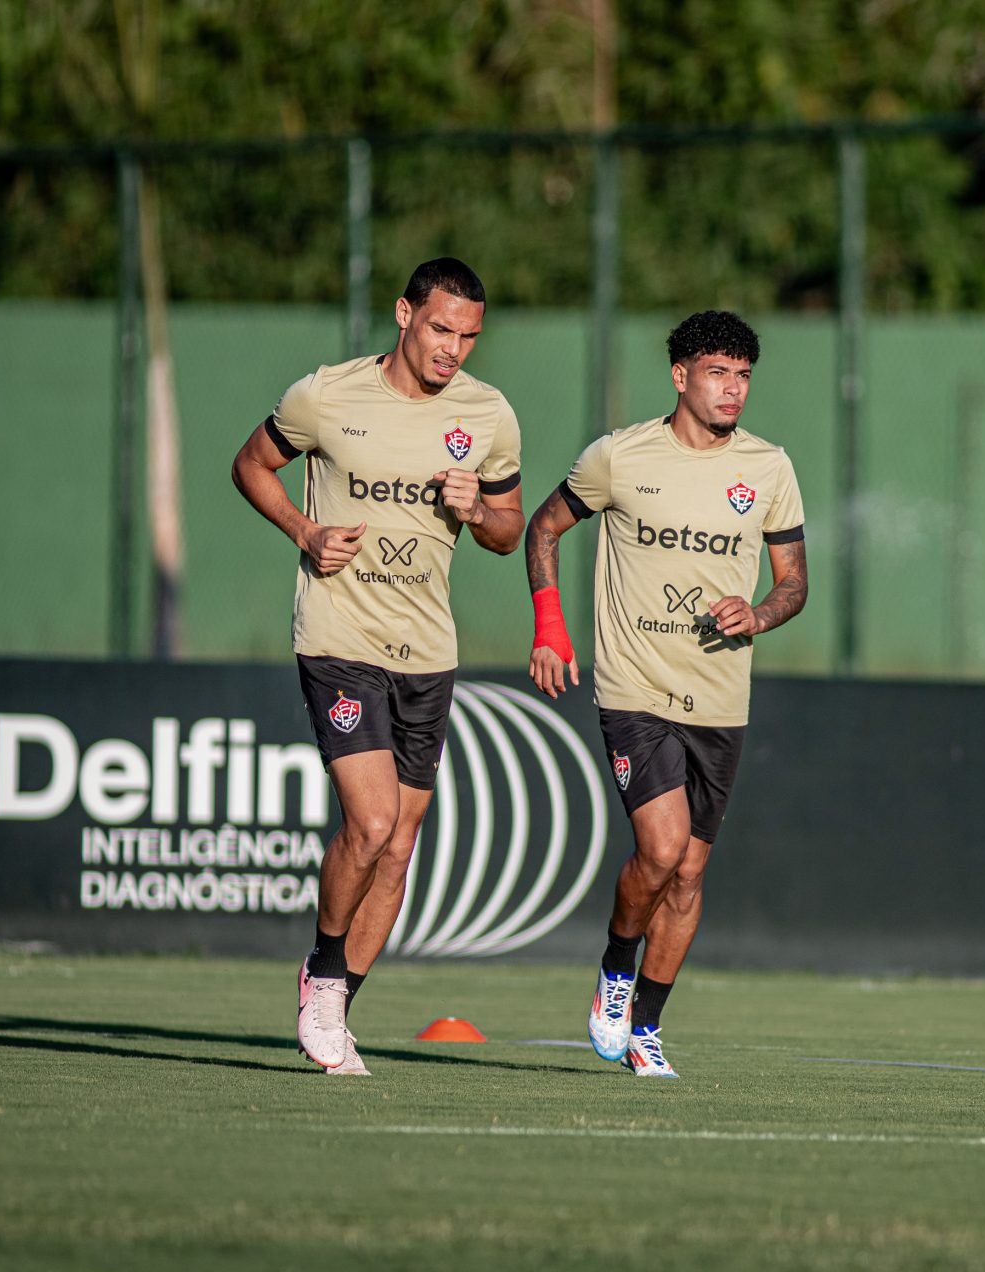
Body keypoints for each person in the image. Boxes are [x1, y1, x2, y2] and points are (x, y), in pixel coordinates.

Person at [231, 257, 523, 1077]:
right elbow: (251, 465)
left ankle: (338, 998)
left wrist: (480, 511)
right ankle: (322, 974)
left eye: (468, 336)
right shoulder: (325, 395)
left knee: (400, 843)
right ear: (403, 314)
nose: (453, 350)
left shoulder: (489, 414)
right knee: (370, 822)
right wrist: (304, 531)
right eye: (439, 329)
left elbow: (508, 528)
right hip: (338, 636)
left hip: (427, 651)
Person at [523, 310, 807, 1078]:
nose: (733, 389)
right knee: (661, 846)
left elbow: (794, 584)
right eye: (718, 373)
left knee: (688, 872)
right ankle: (618, 968)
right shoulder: (620, 457)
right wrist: (551, 627)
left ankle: (646, 1027)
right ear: (681, 376)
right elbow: (543, 528)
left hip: (721, 699)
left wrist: (760, 612)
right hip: (635, 688)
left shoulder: (769, 468)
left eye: (744, 375)